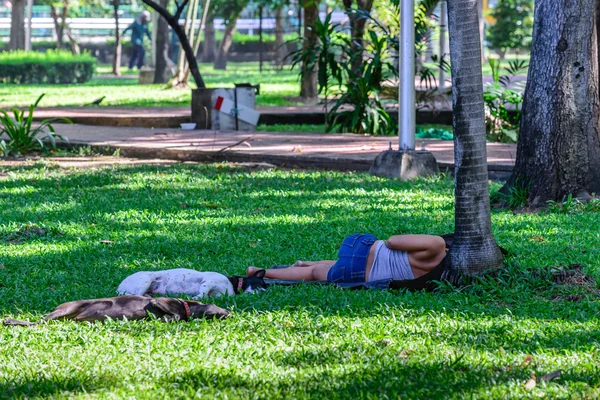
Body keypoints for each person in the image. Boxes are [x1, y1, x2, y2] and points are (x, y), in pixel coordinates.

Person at [247, 234, 448, 283]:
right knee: (314, 273)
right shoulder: (441, 276)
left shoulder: (437, 244)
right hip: (358, 275)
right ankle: (263, 272)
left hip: (361, 249)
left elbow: (392, 242)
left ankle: (258, 269)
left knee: (354, 256)